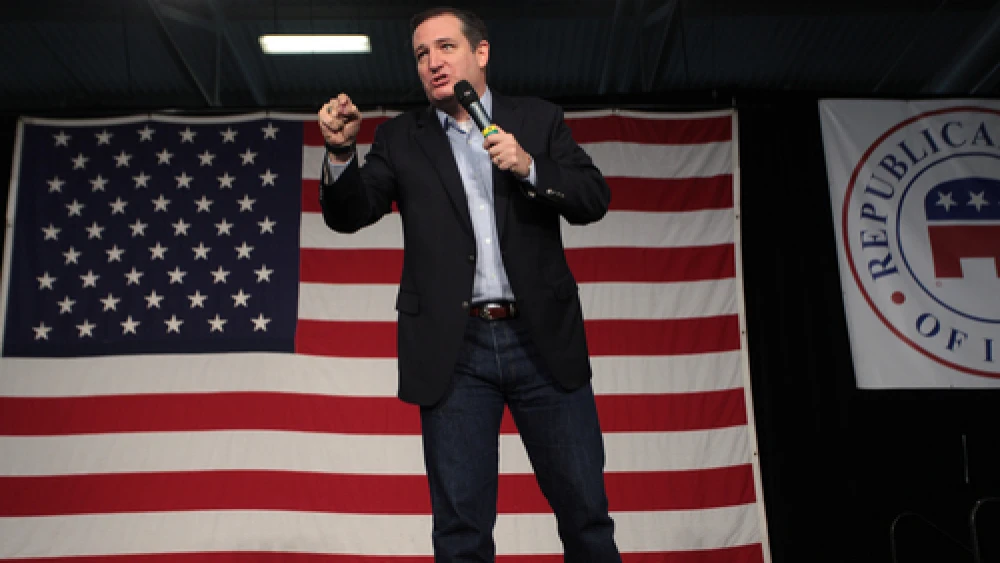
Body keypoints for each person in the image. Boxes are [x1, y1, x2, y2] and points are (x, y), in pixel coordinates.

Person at [316, 6, 621, 562]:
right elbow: (350, 212)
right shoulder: (401, 138)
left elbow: (593, 198)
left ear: (480, 54)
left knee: (586, 516)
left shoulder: (537, 120)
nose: (433, 63)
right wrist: (341, 153)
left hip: (542, 342)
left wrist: (530, 166)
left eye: (445, 48)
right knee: (461, 532)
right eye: (421, 54)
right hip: (456, 353)